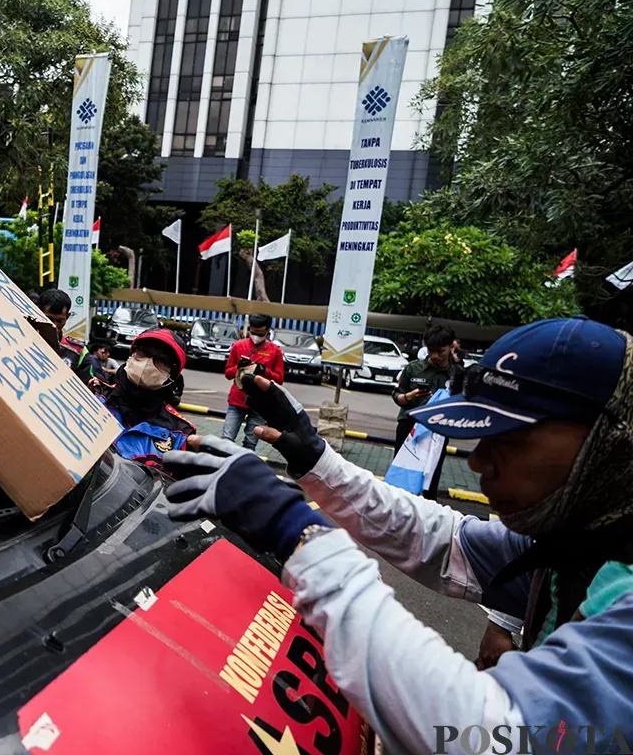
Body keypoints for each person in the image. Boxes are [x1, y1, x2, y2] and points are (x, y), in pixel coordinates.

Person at [162, 317, 633, 753]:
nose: (476, 461)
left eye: (508, 439)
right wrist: (318, 462)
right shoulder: (576, 540)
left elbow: (497, 733)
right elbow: (442, 539)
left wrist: (300, 533)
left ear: (609, 441)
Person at [93, 329, 195, 467]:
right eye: (143, 353)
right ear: (131, 355)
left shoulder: (180, 435)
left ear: (173, 375)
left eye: (162, 360)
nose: (148, 363)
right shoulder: (94, 398)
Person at [393, 324, 463, 498]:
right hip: (410, 426)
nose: (435, 356)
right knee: (402, 473)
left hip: (438, 431)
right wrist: (409, 396)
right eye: (431, 351)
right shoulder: (413, 368)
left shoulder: (458, 373)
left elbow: (462, 404)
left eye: (440, 351)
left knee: (431, 475)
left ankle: (425, 513)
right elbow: (397, 396)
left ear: (451, 347)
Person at [221, 313, 284, 451]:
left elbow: (279, 379)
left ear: (268, 331)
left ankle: (244, 469)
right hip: (237, 400)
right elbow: (228, 374)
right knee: (226, 439)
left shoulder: (275, 351)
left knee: (250, 443)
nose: (256, 336)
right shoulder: (238, 346)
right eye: (253, 332)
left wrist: (264, 371)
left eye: (260, 333)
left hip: (260, 403)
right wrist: (238, 366)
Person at [36, 288, 85, 369]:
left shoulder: (78, 350)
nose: (54, 325)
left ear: (67, 317)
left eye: (59, 320)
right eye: (49, 319)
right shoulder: (23, 338)